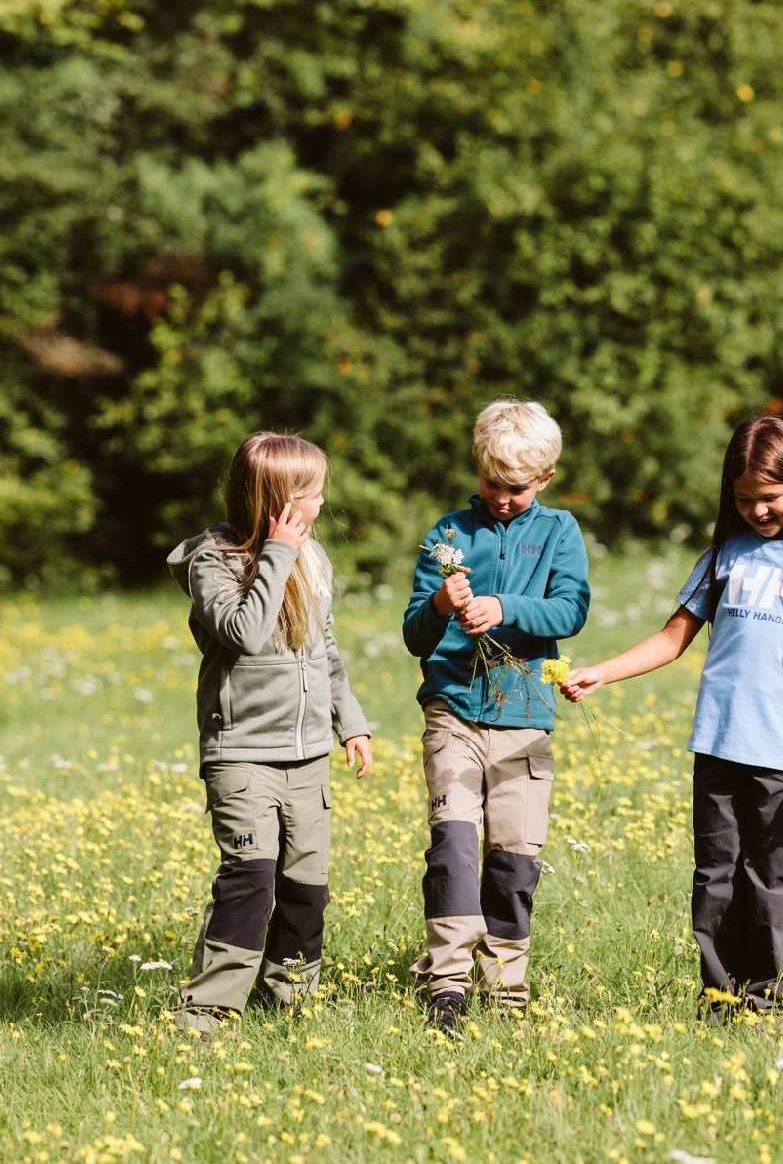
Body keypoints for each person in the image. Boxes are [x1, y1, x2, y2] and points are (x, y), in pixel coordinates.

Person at [561, 415, 783, 1017]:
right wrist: (603, 671)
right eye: (744, 498)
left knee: (771, 880)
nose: (757, 510)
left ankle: (765, 1001)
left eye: (769, 497)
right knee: (716, 874)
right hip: (719, 744)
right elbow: (673, 638)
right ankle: (720, 998)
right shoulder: (724, 555)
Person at [166, 431, 372, 1034]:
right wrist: (279, 552)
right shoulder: (214, 562)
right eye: (310, 493)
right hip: (242, 753)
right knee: (249, 880)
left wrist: (350, 721)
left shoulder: (314, 558)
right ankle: (209, 1009)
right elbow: (246, 632)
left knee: (307, 886)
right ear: (274, 500)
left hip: (308, 756)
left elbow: (325, 649)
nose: (320, 504)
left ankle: (290, 997)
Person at [403, 398, 590, 1035]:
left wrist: (503, 606)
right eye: (492, 484)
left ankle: (505, 982)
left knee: (514, 854)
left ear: (545, 479)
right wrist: (437, 603)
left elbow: (570, 611)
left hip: (525, 714)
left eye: (516, 488)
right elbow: (413, 636)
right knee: (454, 846)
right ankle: (446, 982)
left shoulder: (560, 531)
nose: (503, 498)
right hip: (452, 709)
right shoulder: (448, 534)